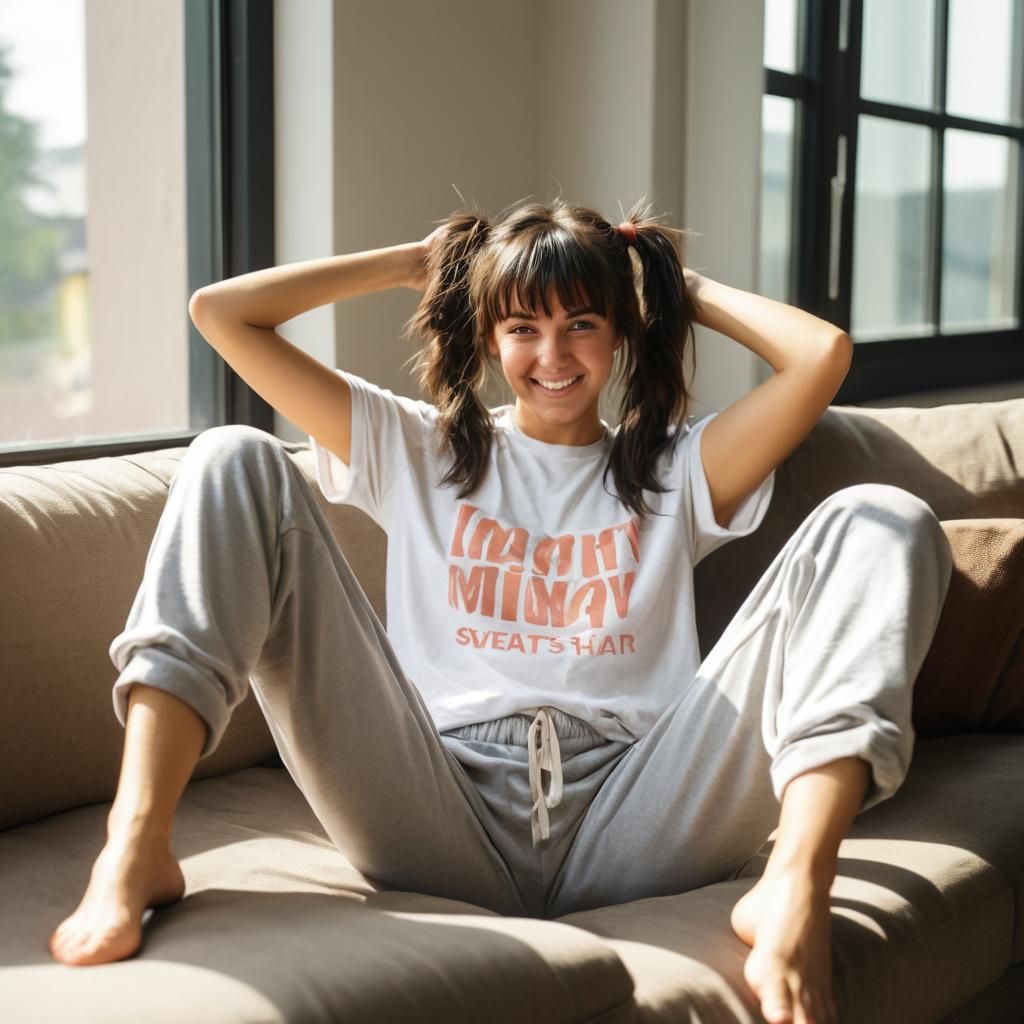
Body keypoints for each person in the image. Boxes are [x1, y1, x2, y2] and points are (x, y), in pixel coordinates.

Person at [49, 196, 952, 1024]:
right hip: (433, 806)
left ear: (619, 332)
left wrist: (673, 278)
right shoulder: (422, 451)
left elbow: (821, 355)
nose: (553, 358)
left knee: (885, 518)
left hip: (640, 813)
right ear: (487, 335)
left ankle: (796, 874)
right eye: (521, 327)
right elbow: (222, 313)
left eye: (582, 324)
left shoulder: (675, 473)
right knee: (229, 456)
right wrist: (417, 261)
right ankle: (138, 844)